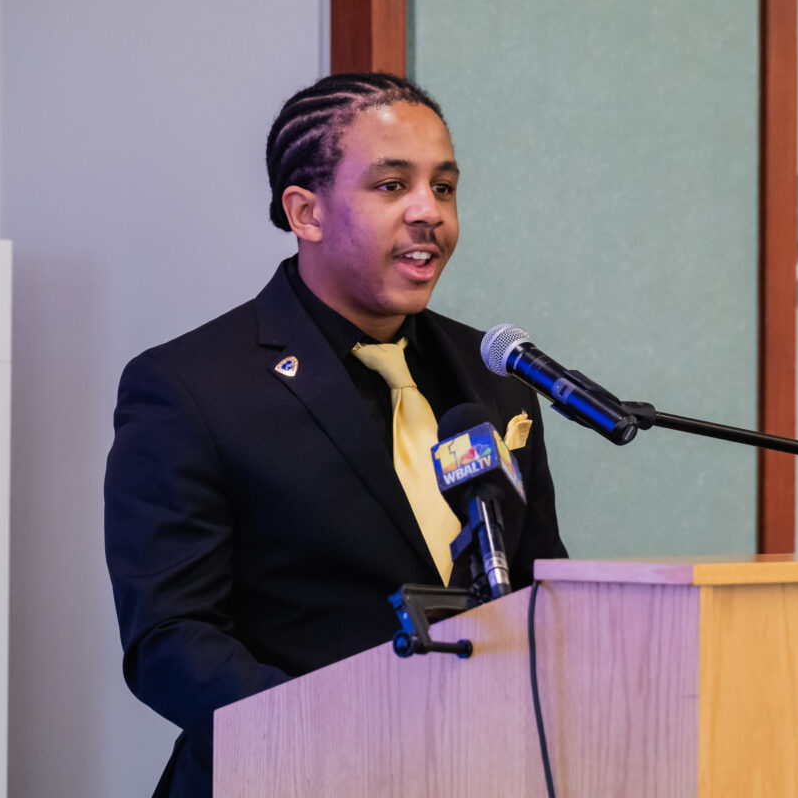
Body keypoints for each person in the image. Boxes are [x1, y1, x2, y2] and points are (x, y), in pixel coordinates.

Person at [104, 72, 566, 797]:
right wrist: (337, 740)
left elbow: (541, 585)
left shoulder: (495, 381)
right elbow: (171, 642)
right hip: (290, 775)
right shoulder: (190, 389)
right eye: (391, 186)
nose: (429, 214)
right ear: (306, 212)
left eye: (444, 188)